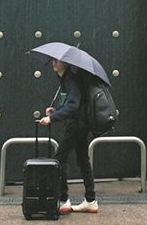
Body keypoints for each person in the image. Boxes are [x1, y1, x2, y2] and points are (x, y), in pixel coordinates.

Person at [38, 58, 98, 215]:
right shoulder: (67, 79)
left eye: (57, 61)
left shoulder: (71, 79)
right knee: (83, 160)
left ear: (66, 63)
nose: (54, 63)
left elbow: (73, 106)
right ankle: (91, 200)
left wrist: (52, 118)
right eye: (53, 60)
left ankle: (64, 200)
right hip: (80, 124)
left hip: (76, 126)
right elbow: (70, 105)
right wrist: (56, 111)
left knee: (59, 158)